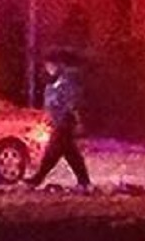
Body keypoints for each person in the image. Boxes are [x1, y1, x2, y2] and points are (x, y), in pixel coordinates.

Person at [25, 49, 91, 191]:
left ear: (57, 65)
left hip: (65, 121)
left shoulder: (67, 81)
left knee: (52, 151)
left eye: (50, 66)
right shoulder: (54, 82)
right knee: (70, 152)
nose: (48, 69)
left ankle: (37, 178)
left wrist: (77, 119)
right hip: (59, 121)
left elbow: (71, 102)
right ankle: (84, 181)